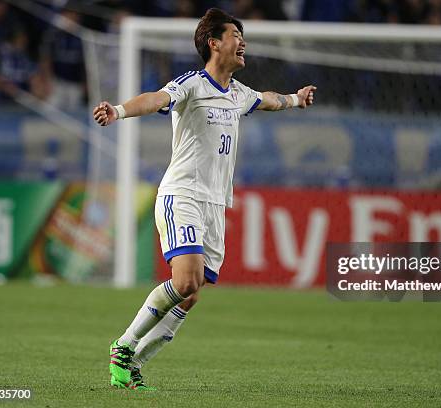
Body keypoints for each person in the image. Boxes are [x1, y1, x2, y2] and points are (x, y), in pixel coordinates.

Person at [93, 8, 316, 390]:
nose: (242, 42)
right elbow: (156, 98)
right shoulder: (192, 84)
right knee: (185, 280)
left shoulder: (239, 94)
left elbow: (269, 99)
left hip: (215, 203)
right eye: (235, 35)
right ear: (214, 43)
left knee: (191, 294)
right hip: (182, 194)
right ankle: (124, 346)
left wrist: (295, 99)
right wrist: (119, 110)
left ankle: (133, 364)